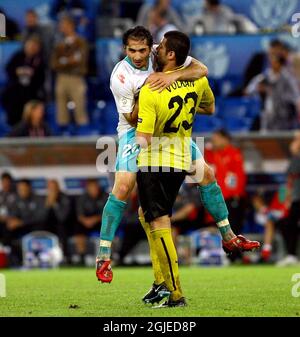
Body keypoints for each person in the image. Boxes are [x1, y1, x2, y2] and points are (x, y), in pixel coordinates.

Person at [136, 31, 260, 307]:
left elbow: (143, 138)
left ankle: (175, 293)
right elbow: (211, 107)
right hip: (180, 158)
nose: (155, 49)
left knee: (159, 222)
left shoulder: (150, 89)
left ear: (170, 55)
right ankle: (162, 282)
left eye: (162, 47)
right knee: (147, 215)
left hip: (155, 160)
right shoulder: (198, 79)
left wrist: (133, 126)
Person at [95, 25, 208, 282]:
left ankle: (229, 236)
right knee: (123, 186)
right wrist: (148, 92)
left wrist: (171, 78)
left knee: (206, 173)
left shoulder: (162, 54)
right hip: (135, 132)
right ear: (125, 49)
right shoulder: (120, 77)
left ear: (152, 47)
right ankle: (103, 257)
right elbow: (131, 118)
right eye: (132, 50)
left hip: (166, 130)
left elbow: (202, 70)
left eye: (142, 50)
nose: (137, 56)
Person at [51, 15, 89, 127]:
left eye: (64, 25)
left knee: (80, 108)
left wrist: (64, 61)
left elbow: (79, 61)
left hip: (76, 78)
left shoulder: (80, 42)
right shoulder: (59, 44)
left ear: (71, 26)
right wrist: (68, 61)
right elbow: (54, 63)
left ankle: (83, 136)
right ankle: (63, 135)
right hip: (61, 78)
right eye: (61, 25)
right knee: (61, 110)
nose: (62, 27)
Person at [1, 36, 45, 126]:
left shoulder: (40, 60)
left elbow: (41, 78)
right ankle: (13, 127)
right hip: (15, 90)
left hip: (31, 92)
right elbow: (9, 69)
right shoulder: (18, 56)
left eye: (35, 46)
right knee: (10, 97)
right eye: (30, 45)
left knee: (34, 104)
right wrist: (17, 71)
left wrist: (33, 74)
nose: (32, 48)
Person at [4, 179, 45, 264]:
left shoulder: (38, 199)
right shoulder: (16, 200)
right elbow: (12, 214)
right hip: (20, 228)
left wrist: (22, 222)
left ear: (29, 188)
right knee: (7, 230)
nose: (21, 191)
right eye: (19, 189)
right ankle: (13, 259)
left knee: (38, 227)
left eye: (24, 189)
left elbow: (40, 217)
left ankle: (37, 258)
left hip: (34, 226)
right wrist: (11, 221)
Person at [276, 132, 300, 266]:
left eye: (297, 139)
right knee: (287, 223)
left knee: (290, 223)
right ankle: (291, 255)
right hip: (296, 198)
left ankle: (292, 255)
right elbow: (290, 176)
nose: (294, 142)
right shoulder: (295, 158)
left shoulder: (297, 158)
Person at [75, 179, 108, 264]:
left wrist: (95, 219)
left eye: (96, 187)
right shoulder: (82, 198)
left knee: (108, 227)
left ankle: (106, 256)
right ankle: (81, 257)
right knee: (78, 229)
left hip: (100, 222)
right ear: (88, 188)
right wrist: (86, 221)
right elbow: (79, 215)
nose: (94, 189)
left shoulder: (105, 196)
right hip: (85, 223)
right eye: (92, 187)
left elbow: (108, 214)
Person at [42, 179, 71, 260]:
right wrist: (47, 206)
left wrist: (55, 203)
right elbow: (41, 217)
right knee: (41, 228)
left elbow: (62, 217)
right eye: (50, 188)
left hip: (63, 225)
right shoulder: (44, 198)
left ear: (58, 187)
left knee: (62, 230)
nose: (52, 190)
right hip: (49, 225)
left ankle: (65, 257)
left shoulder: (64, 198)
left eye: (54, 188)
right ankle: (44, 256)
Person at [0, 172, 17, 243]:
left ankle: (7, 249)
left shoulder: (16, 194)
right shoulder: (0, 194)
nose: (5, 184)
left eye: (7, 182)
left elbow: (19, 209)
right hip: (0, 219)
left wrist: (9, 217)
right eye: (3, 182)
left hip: (11, 220)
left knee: (8, 226)